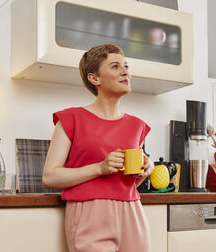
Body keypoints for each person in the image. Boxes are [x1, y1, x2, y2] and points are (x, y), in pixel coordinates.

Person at [42, 44, 154, 252]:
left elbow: (126, 184)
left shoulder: (137, 126)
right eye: (115, 66)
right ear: (95, 78)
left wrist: (146, 170)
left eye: (126, 66)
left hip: (133, 212)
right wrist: (99, 168)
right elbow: (50, 177)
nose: (125, 71)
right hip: (89, 214)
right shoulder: (71, 119)